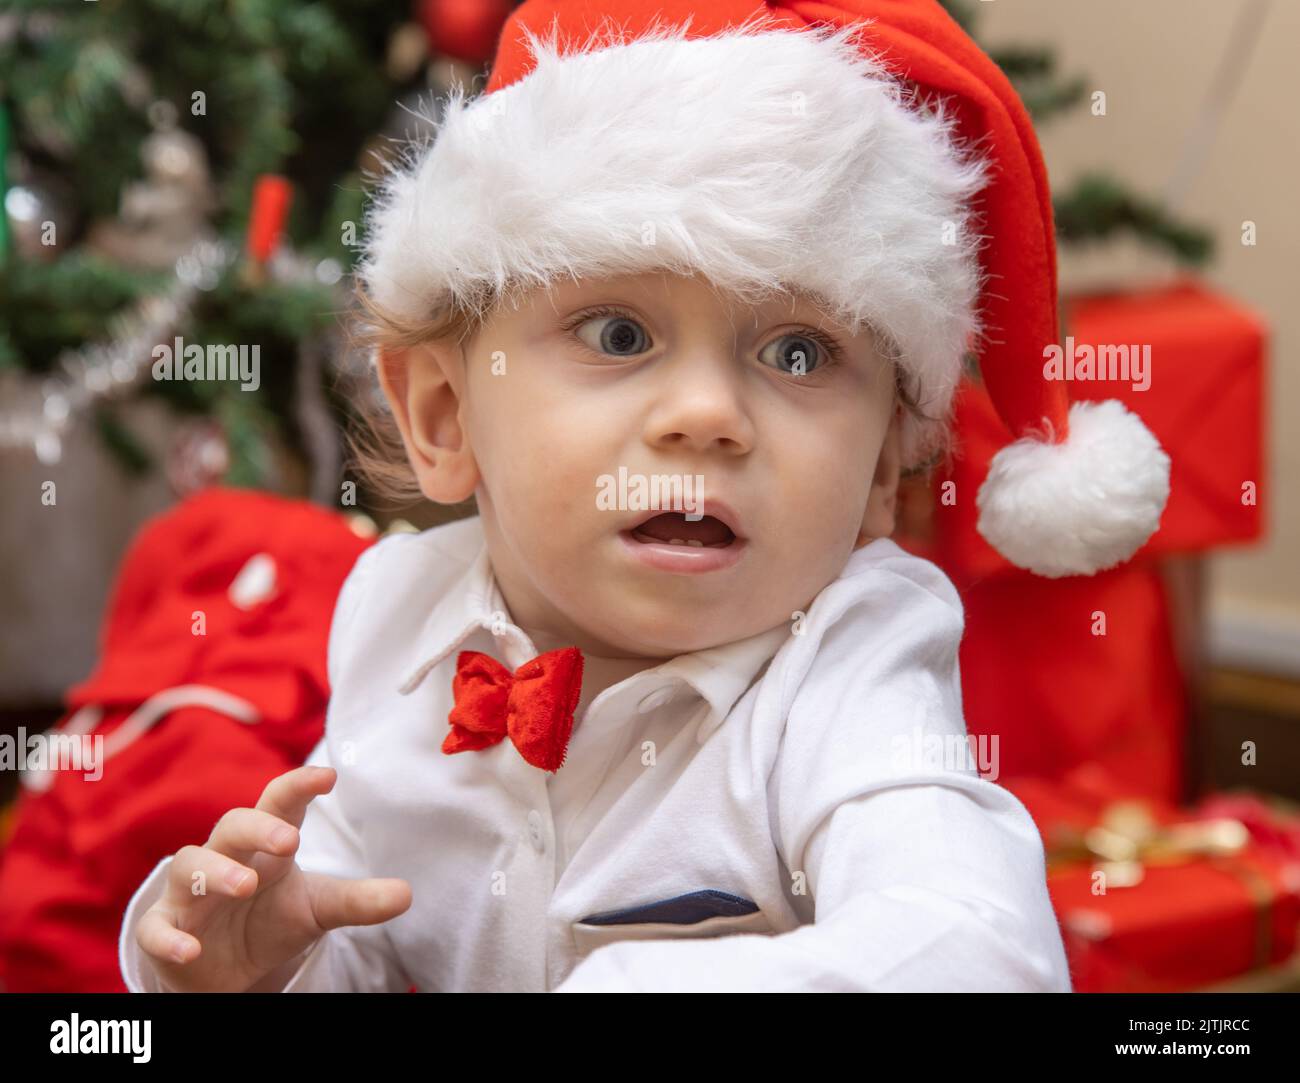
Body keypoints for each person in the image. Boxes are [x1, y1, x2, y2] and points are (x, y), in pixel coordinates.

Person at [118, 0, 1170, 992]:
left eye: (798, 352)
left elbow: (981, 954)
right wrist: (269, 964)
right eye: (619, 334)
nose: (708, 414)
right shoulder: (397, 625)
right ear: (443, 416)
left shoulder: (850, 668)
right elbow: (373, 934)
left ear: (884, 473)